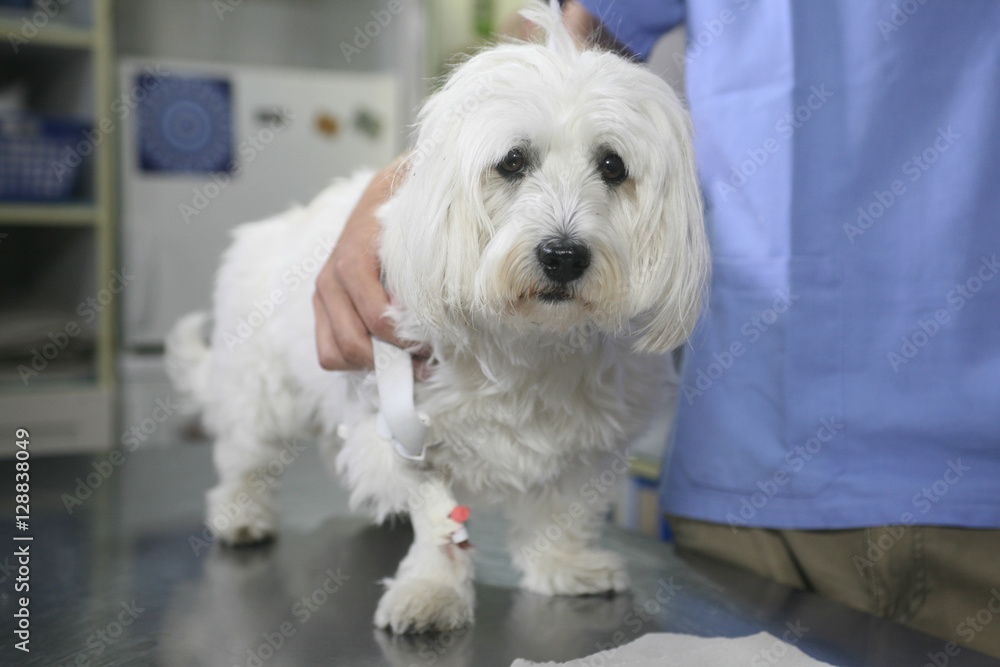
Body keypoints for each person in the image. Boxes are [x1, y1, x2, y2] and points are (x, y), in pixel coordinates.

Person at [313, 1, 1000, 656]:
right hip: (748, 461)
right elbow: (557, 47)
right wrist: (413, 193)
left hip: (975, 476)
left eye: (612, 169)